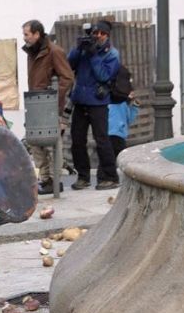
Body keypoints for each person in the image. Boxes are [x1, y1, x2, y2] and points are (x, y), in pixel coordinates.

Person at [22, 20, 74, 194]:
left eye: (27, 34)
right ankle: (46, 179)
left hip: (47, 104)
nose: (24, 38)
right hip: (34, 103)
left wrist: (54, 99)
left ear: (37, 34)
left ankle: (55, 180)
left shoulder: (54, 51)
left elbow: (67, 78)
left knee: (53, 141)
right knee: (34, 141)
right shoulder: (32, 51)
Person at [67, 20, 120, 190]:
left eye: (102, 33)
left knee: (102, 140)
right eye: (96, 33)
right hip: (80, 101)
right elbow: (69, 65)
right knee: (77, 140)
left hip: (98, 102)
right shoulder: (85, 49)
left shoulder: (112, 54)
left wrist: (93, 56)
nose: (98, 36)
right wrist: (78, 48)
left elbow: (104, 76)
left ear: (107, 35)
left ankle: (110, 176)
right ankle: (83, 176)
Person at [108, 95, 139, 159]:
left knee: (109, 160)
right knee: (118, 159)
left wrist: (135, 106)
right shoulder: (116, 101)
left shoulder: (125, 104)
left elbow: (129, 120)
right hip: (115, 134)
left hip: (118, 135)